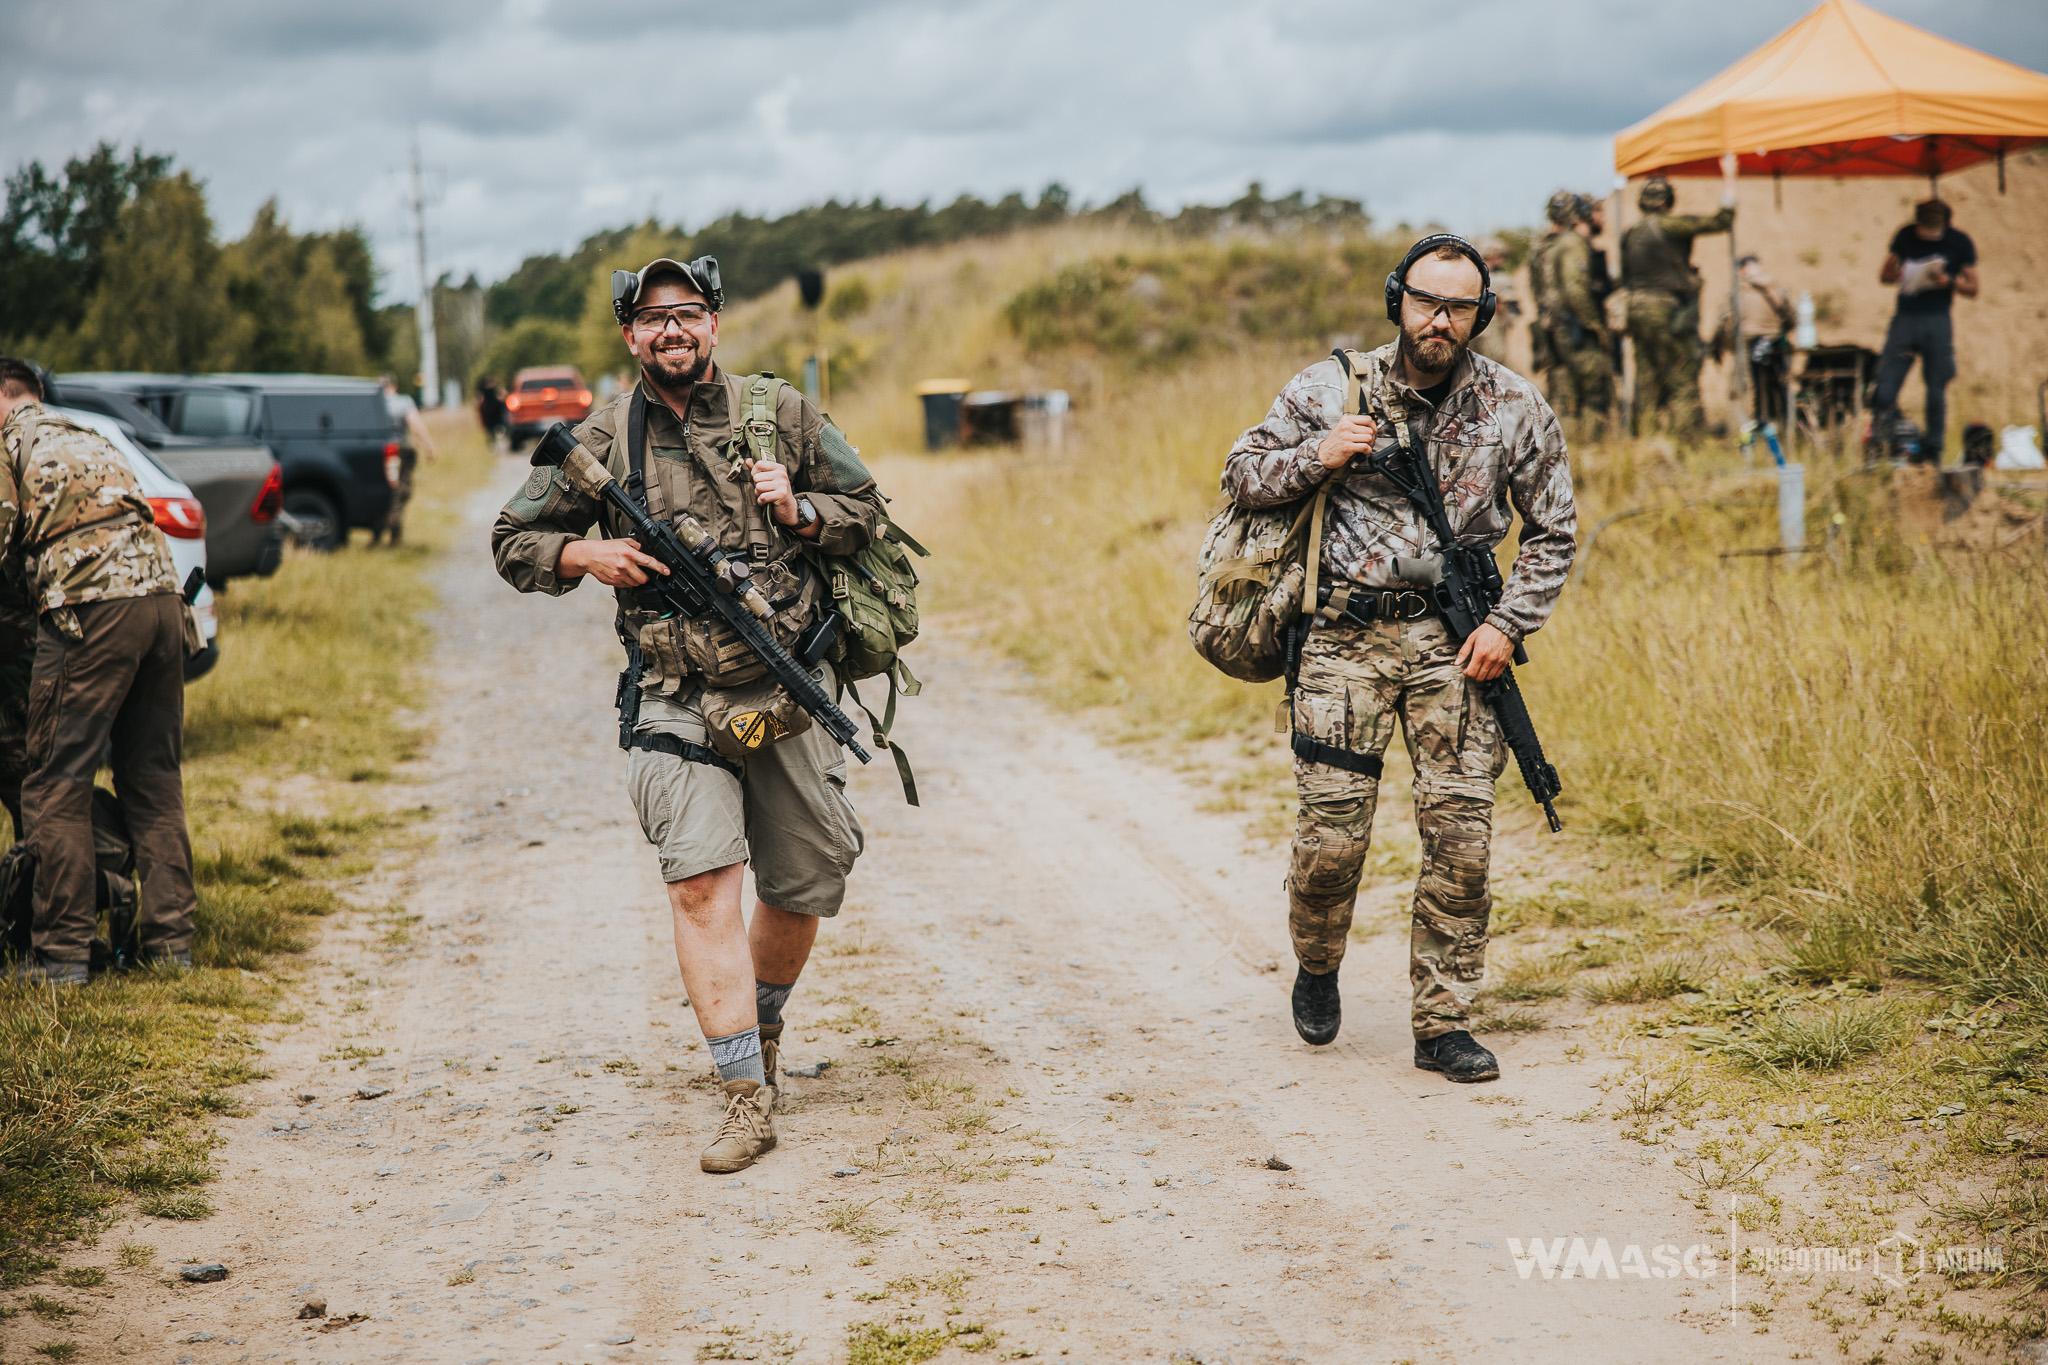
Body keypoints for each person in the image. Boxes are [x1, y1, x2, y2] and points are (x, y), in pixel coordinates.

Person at [492, 258, 884, 1172]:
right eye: (655, 317)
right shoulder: (604, 436)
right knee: (702, 881)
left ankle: (764, 1021)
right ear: (630, 336)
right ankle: (745, 1093)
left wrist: (802, 507)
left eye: (691, 313)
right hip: (674, 692)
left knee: (805, 878)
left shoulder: (779, 413)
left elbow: (867, 508)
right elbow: (513, 541)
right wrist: (587, 554)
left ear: (716, 324)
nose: (674, 330)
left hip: (784, 682)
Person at [1221, 237, 1578, 1082]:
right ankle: (1316, 960)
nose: (1440, 320)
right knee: (1331, 840)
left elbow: (1554, 529)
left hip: (1458, 647)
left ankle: (1443, 1022)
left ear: (1480, 316)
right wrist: (1319, 456)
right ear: (1398, 299)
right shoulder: (1330, 387)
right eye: (1426, 301)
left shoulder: (1513, 405)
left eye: (1459, 307)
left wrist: (1507, 625)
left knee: (1462, 838)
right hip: (1343, 639)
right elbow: (1241, 474)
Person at [0, 356, 198, 984]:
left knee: (55, 780)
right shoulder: (89, 435)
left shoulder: (9, 444)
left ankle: (60, 953)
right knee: (153, 776)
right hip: (166, 604)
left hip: (92, 610)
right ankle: (171, 946)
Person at [1621, 175, 1734, 433]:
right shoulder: (1671, 226)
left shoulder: (1631, 233)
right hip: (1666, 311)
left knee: (1646, 377)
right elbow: (1721, 221)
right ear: (1666, 201)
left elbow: (1626, 276)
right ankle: (1690, 436)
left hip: (1636, 311)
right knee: (1683, 372)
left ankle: (1646, 435)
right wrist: (1729, 182)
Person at [1872, 199, 1977, 463]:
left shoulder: (1959, 242)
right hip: (1906, 318)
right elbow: (1885, 273)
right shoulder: (1906, 236)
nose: (1926, 235)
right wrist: (1904, 276)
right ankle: (1883, 441)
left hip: (1937, 320)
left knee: (1936, 387)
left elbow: (1973, 287)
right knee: (1885, 384)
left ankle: (1933, 447)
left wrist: (1949, 282)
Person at [1545, 196, 1615, 427]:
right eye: (1598, 213)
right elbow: (1575, 289)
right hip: (1576, 327)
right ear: (1586, 216)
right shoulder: (1574, 243)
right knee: (1595, 386)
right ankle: (1594, 442)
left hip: (1569, 324)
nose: (1602, 218)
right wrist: (1594, 325)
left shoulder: (1566, 242)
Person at [1711, 256, 1798, 429]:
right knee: (1772, 389)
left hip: (1749, 347)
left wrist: (1717, 347)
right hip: (1772, 347)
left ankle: (1744, 433)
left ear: (1741, 271)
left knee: (1742, 391)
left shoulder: (1739, 292)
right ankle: (1778, 430)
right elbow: (1791, 320)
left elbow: (1722, 323)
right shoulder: (1777, 289)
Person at [1526, 192, 1577, 399]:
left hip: (1545, 316)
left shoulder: (1538, 244)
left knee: (1555, 374)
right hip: (1564, 317)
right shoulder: (1566, 243)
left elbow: (1535, 285)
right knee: (1571, 376)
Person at [377, 376, 437, 546]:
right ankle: (395, 533)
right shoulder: (403, 402)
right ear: (394, 386)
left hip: (376, 453)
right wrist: (428, 446)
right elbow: (415, 425)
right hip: (399, 451)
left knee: (378, 489)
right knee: (401, 489)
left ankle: (376, 533)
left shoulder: (372, 403)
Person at [1471, 238, 1519, 366]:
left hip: (1481, 326)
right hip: (1491, 326)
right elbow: (1511, 305)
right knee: (1494, 361)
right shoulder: (1500, 279)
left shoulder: (1472, 275)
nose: (1501, 261)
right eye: (1499, 256)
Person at [476, 377, 509, 453]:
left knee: (490, 432)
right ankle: (498, 444)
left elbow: (479, 401)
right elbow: (503, 395)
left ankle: (493, 446)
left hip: (488, 412)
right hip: (495, 411)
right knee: (498, 429)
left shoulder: (483, 391)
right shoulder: (495, 390)